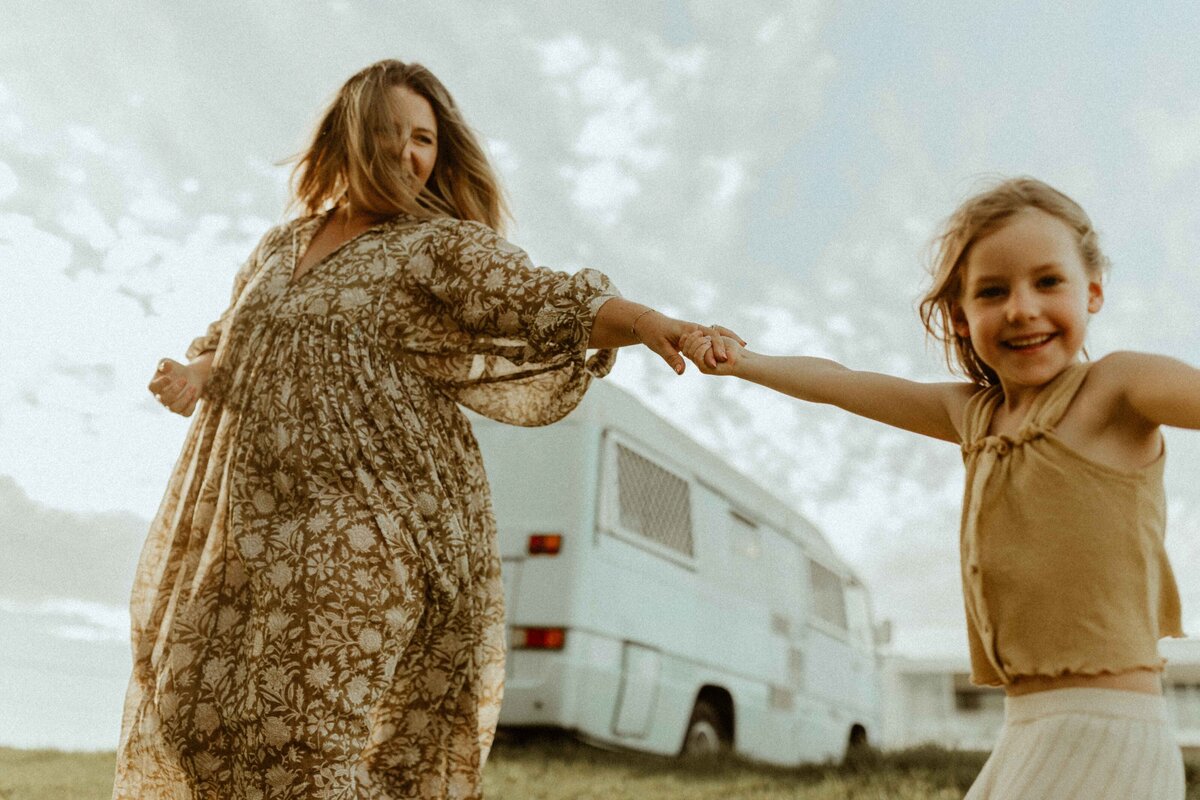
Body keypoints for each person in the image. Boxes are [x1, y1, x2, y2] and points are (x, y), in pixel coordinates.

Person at [114, 59, 741, 799]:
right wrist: (197, 375)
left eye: (423, 139)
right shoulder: (277, 247)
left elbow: (541, 299)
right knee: (195, 709)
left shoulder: (435, 246)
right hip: (250, 525)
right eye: (387, 133)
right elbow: (233, 339)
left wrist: (647, 322)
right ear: (346, 138)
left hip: (371, 523)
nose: (407, 153)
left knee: (311, 747)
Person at [681, 177, 1193, 798]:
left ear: (1092, 292)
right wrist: (743, 361)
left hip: (1109, 733)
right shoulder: (972, 415)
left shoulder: (1117, 389)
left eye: (1047, 282)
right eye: (992, 291)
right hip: (1026, 728)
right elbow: (840, 381)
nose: (1022, 307)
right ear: (961, 316)